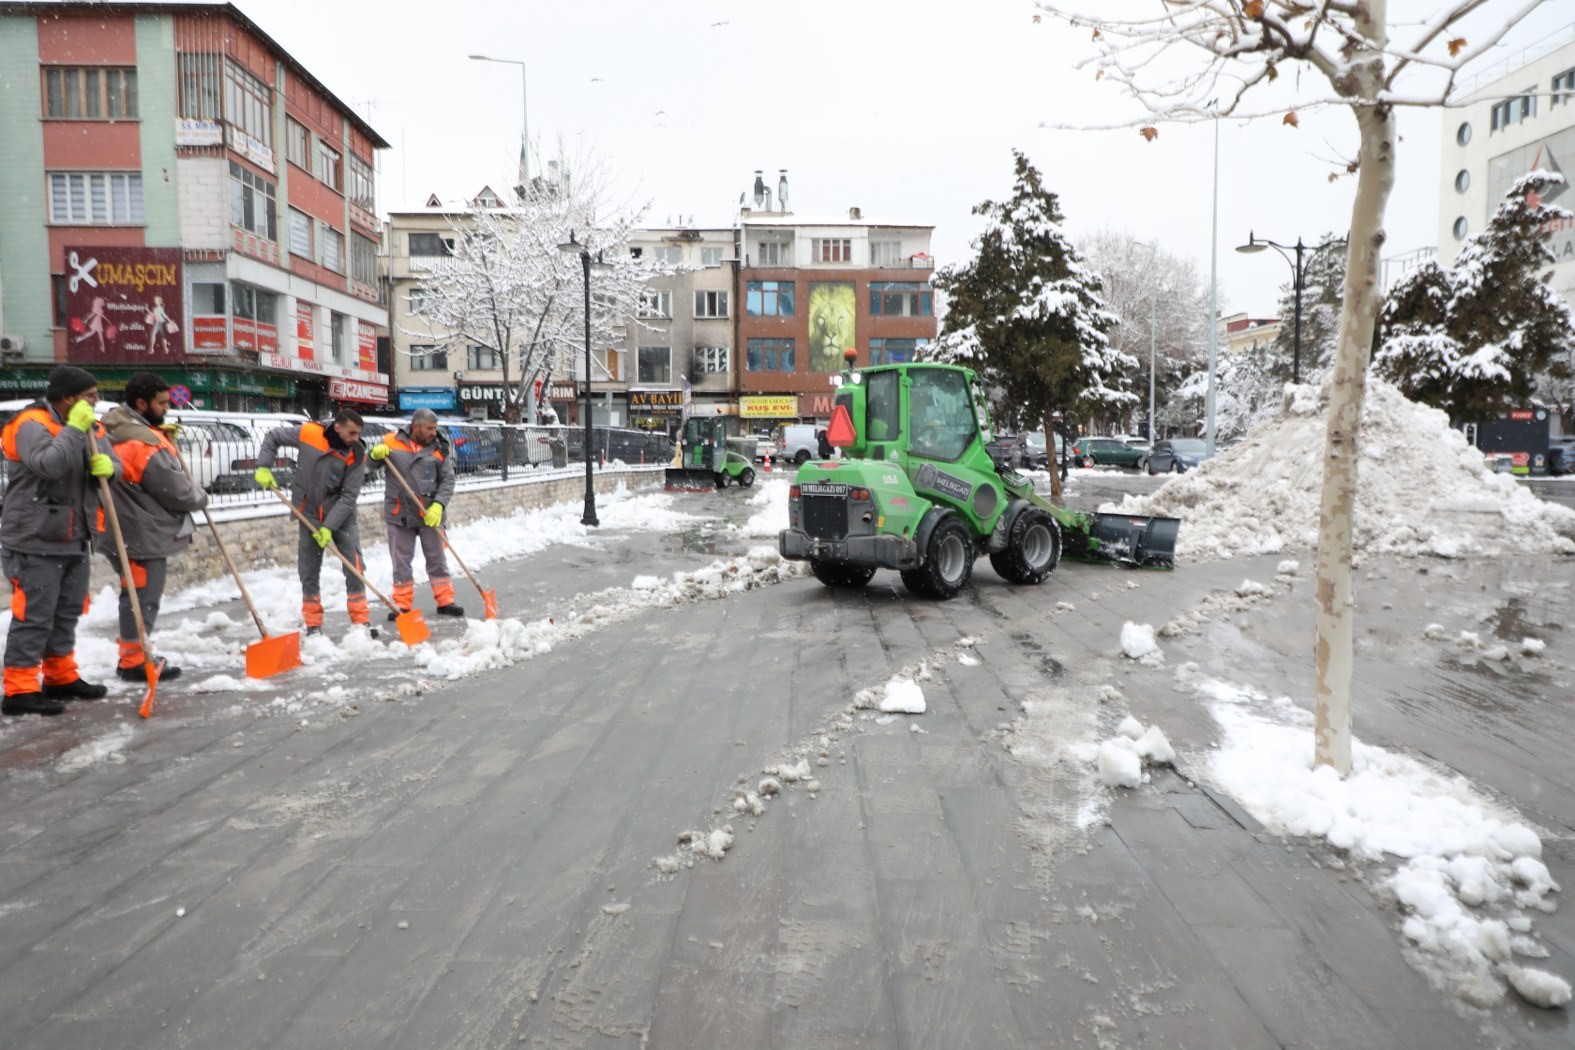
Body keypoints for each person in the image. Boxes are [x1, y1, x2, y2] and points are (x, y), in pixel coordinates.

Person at [1, 365, 120, 716]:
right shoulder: (30, 424)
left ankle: (60, 676)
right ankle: (19, 690)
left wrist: (111, 469)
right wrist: (74, 429)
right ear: (66, 398)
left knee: (66, 613)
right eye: (89, 397)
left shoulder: (90, 427)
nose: (95, 404)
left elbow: (115, 463)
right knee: (35, 615)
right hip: (34, 537)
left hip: (75, 534)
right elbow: (49, 465)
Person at [98, 372, 207, 682]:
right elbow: (177, 491)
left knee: (134, 594)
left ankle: (135, 654)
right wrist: (200, 497)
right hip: (140, 532)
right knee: (141, 596)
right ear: (141, 403)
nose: (166, 409)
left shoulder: (113, 426)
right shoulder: (144, 443)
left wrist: (160, 433)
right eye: (161, 403)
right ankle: (134, 661)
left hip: (121, 526)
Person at [254, 409, 372, 637]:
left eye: (358, 433)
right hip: (308, 514)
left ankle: (361, 622)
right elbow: (273, 436)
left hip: (342, 517)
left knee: (354, 568)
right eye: (352, 433)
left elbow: (349, 496)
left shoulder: (356, 454)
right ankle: (313, 624)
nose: (356, 438)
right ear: (337, 427)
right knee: (308, 570)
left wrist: (329, 526)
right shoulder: (309, 433)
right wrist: (264, 466)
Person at [368, 408, 464, 619]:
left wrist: (439, 505)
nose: (433, 432)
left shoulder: (439, 447)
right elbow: (368, 466)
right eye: (429, 428)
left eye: (435, 428)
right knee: (401, 561)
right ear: (416, 426)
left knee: (437, 559)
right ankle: (402, 605)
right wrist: (374, 455)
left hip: (430, 513)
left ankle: (445, 601)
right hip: (399, 512)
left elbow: (448, 480)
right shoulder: (391, 441)